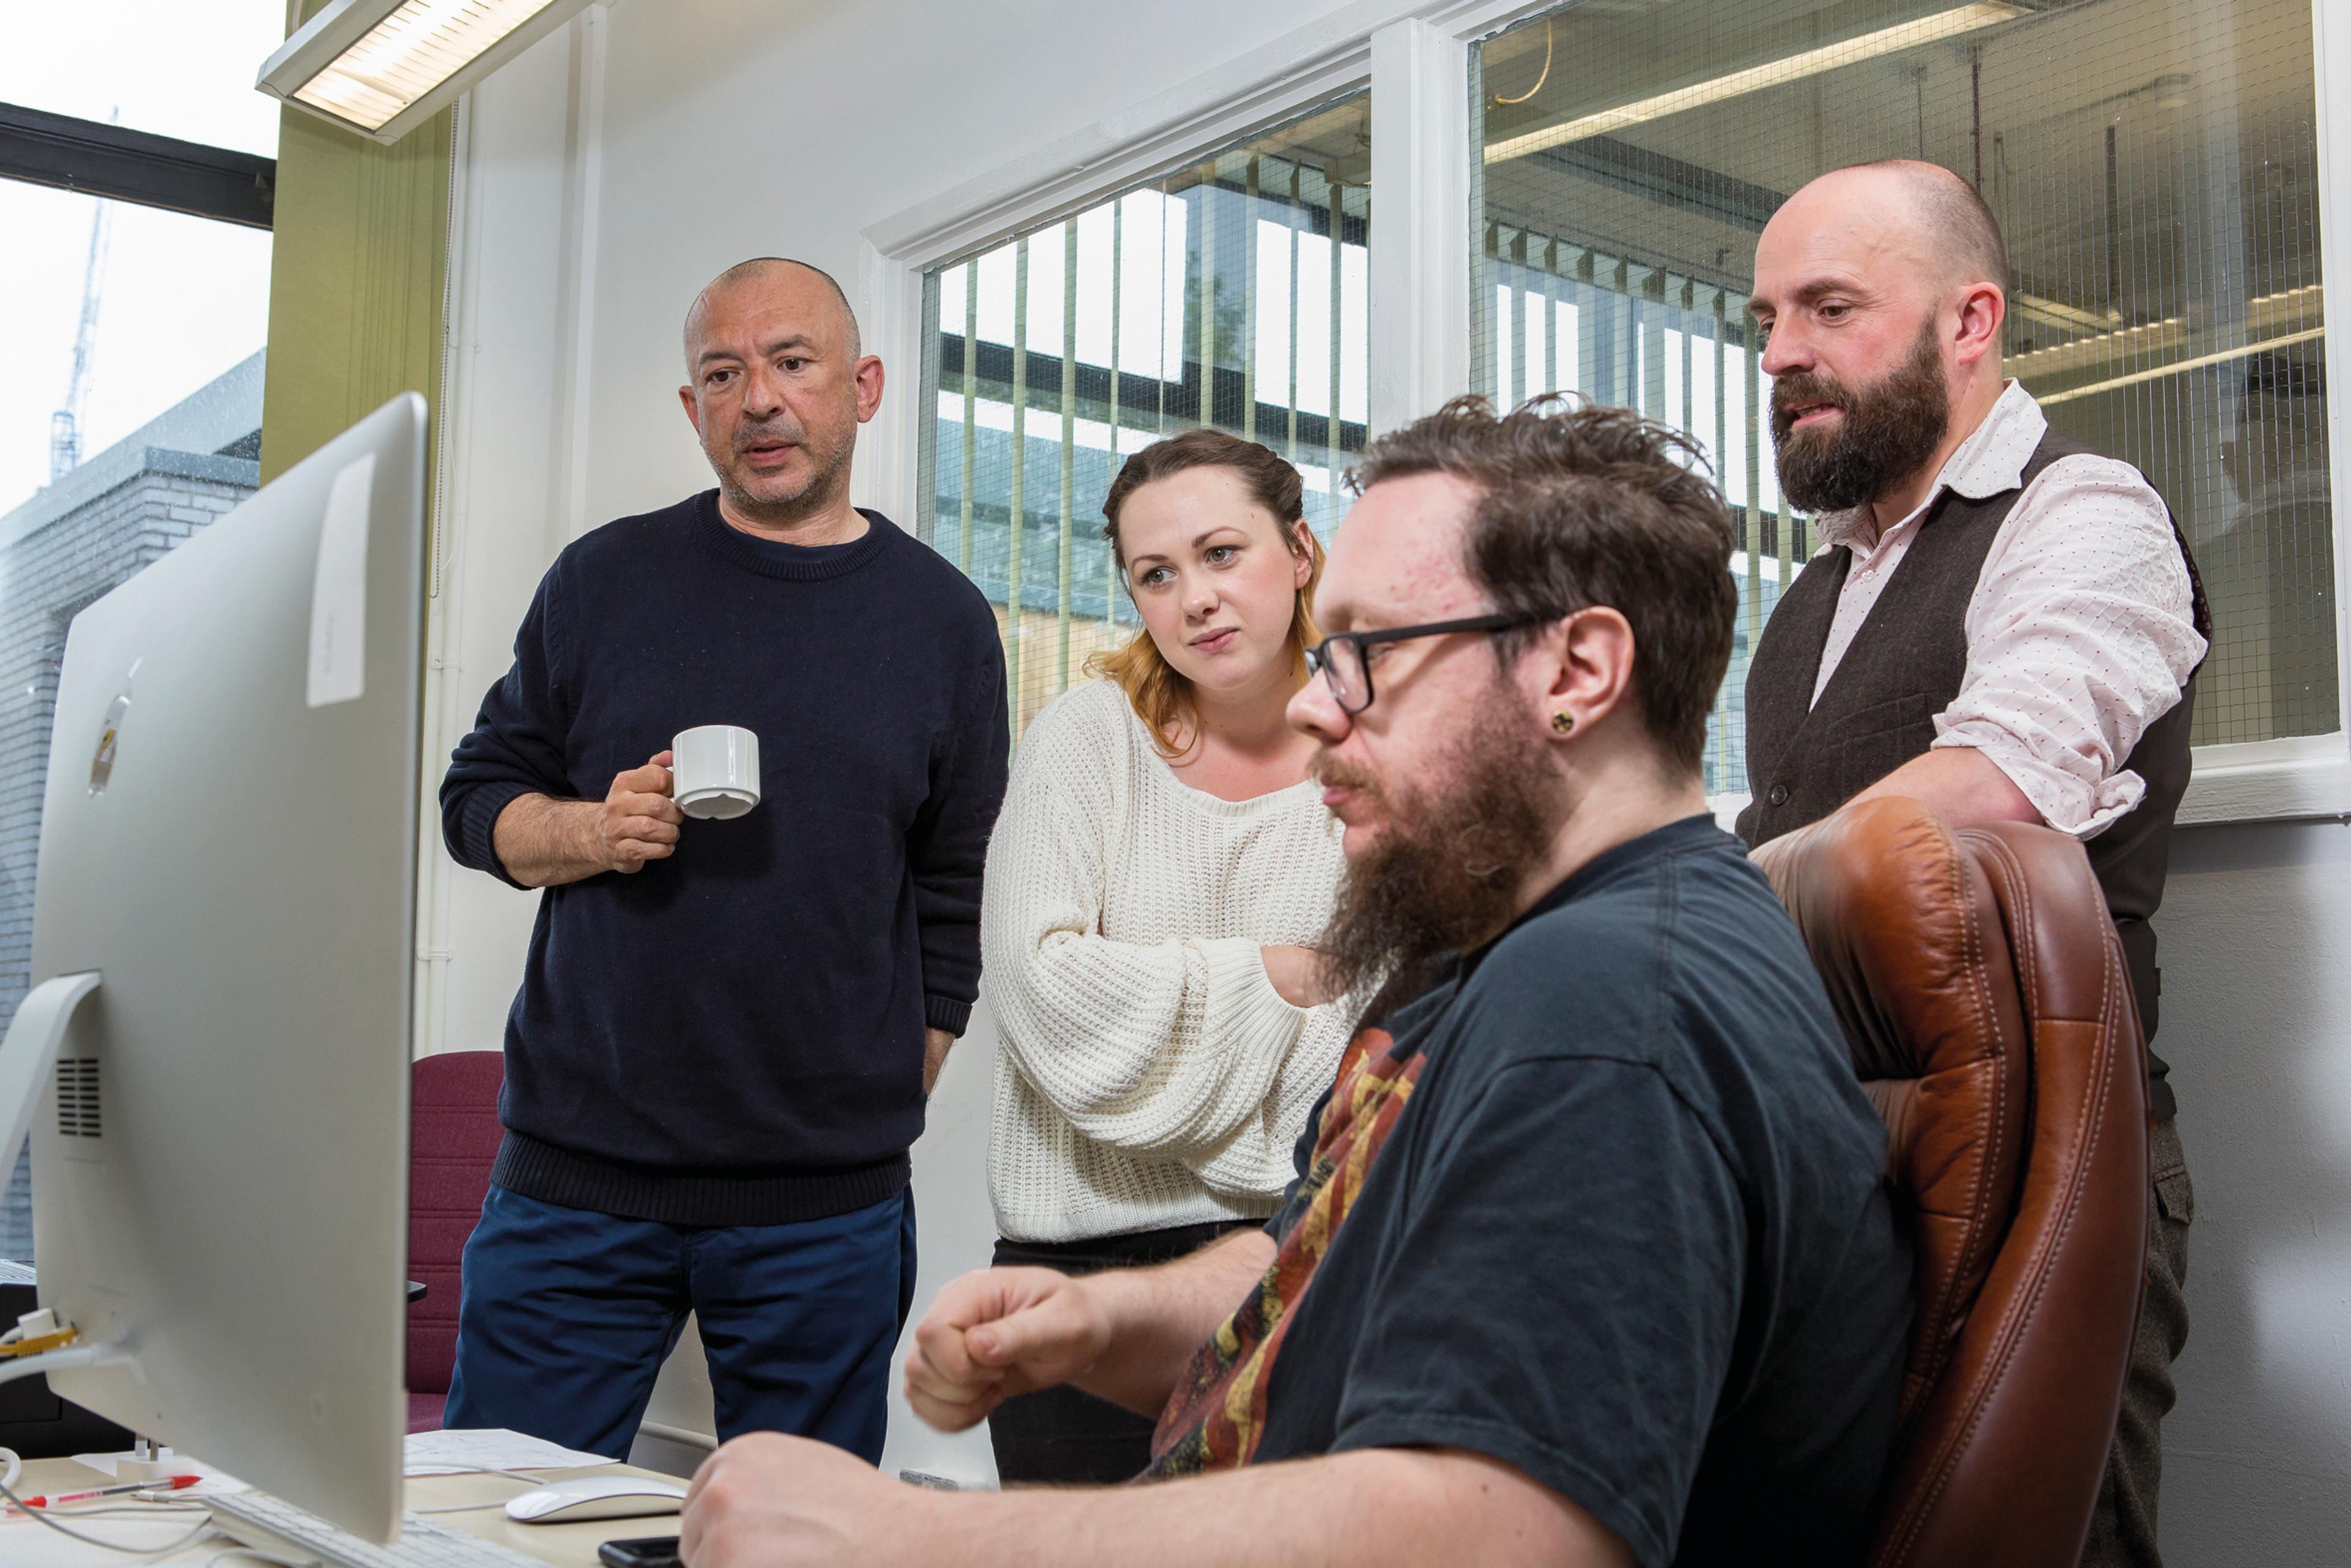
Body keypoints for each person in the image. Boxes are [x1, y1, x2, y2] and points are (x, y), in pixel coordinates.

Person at [676, 397, 1913, 1568]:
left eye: (1368, 653)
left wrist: (906, 1540)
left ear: (1577, 673)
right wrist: (1105, 1324)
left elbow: (1499, 1535)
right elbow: (1346, 1263)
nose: (1318, 710)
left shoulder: (1607, 1020)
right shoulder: (1528, 961)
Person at [435, 258, 1009, 1462]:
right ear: (693, 410)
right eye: (723, 373)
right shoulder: (602, 581)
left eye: (793, 364)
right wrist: (593, 830)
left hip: (826, 1208)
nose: (760, 398)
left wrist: (898, 1072)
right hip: (574, 1189)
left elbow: (957, 885)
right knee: (488, 1524)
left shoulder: (945, 622)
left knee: (797, 1539)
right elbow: (475, 800)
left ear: (862, 387)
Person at [1734, 160, 2210, 1568]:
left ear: (1971, 320)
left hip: (2053, 1175)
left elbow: (1996, 790)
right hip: (1847, 1169)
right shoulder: (1810, 599)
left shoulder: (2084, 514)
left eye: (1830, 308)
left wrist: (1690, 915)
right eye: (1764, 318)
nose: (1782, 356)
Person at [981, 429, 1351, 1485]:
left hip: (1294, 1264)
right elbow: (1040, 993)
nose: (1195, 597)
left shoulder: (1378, 751)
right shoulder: (1085, 737)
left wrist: (1147, 1033)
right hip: (1070, 1284)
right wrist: (1278, 978)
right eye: (1157, 573)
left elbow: (1386, 1023)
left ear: (1301, 550)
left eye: (1222, 552)